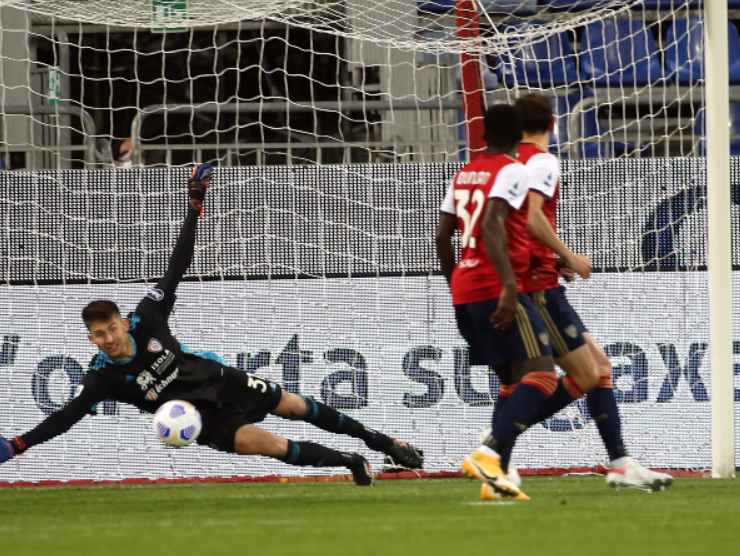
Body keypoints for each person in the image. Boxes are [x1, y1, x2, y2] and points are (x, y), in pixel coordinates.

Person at [0, 164, 423, 485]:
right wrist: (18, 445)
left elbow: (176, 266)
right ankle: (349, 462)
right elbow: (65, 417)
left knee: (298, 407)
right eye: (98, 335)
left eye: (111, 328)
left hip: (221, 380)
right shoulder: (103, 378)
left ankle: (383, 443)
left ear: (122, 323)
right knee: (273, 446)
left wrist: (195, 206)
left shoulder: (146, 318)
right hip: (201, 421)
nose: (108, 339)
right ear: (90, 338)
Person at [504, 92, 672, 491]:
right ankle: (497, 444)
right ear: (554, 123)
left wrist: (549, 257)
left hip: (531, 278)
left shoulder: (508, 163)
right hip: (539, 289)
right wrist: (569, 256)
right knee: (589, 372)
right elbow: (531, 219)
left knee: (599, 371)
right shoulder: (543, 161)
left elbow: (513, 226)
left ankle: (620, 462)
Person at [436, 104, 561, 501]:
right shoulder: (512, 170)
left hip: (465, 287)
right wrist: (508, 285)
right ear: (517, 133)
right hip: (497, 286)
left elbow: (442, 236)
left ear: (484, 133)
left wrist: (455, 280)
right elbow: (492, 224)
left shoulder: (463, 172)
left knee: (509, 383)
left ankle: (498, 476)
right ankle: (488, 453)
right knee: (543, 376)